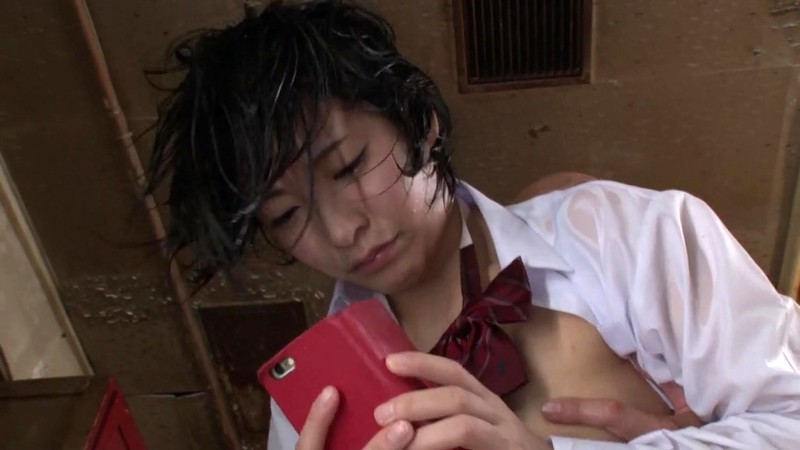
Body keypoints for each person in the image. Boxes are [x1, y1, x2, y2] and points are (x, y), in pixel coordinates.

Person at [145, 1, 800, 449]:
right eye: (287, 215)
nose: (341, 230)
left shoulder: (627, 237)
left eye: (346, 167)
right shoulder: (311, 403)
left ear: (418, 120)